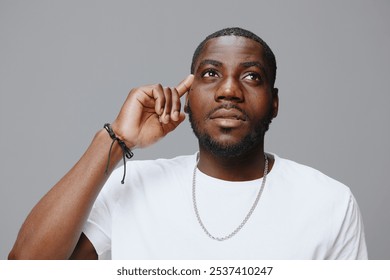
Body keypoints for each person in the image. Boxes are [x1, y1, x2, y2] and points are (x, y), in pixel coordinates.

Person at [8, 27, 367, 260]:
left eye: (251, 76)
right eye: (211, 74)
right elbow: (25, 267)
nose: (229, 90)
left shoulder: (329, 202)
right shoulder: (131, 186)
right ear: (190, 95)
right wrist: (115, 139)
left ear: (273, 102)